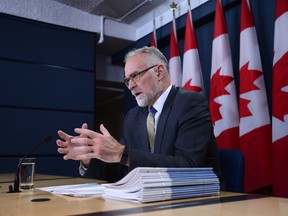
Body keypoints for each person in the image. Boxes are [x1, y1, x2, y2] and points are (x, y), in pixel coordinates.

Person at [56, 46, 225, 189]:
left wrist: (123, 153)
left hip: (195, 198)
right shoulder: (133, 116)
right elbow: (120, 170)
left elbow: (188, 167)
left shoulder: (190, 103)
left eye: (135, 76)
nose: (130, 85)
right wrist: (90, 158)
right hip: (149, 198)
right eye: (127, 80)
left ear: (159, 72)